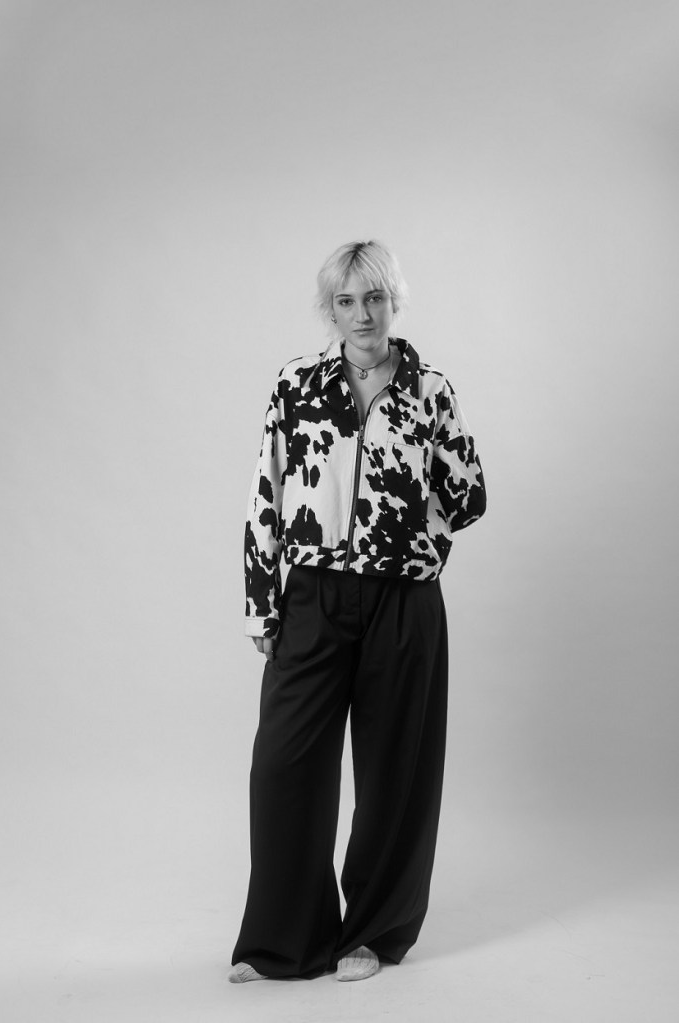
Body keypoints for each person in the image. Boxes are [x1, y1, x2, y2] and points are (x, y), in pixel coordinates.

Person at [229, 240, 486, 984]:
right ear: (330, 309)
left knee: (395, 773)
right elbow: (266, 493)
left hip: (403, 601)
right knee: (283, 766)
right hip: (312, 595)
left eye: (374, 298)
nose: (363, 314)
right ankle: (282, 941)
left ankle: (372, 932)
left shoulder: (430, 389)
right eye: (347, 301)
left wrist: (418, 544)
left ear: (392, 302)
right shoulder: (297, 385)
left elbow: (468, 493)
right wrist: (261, 604)